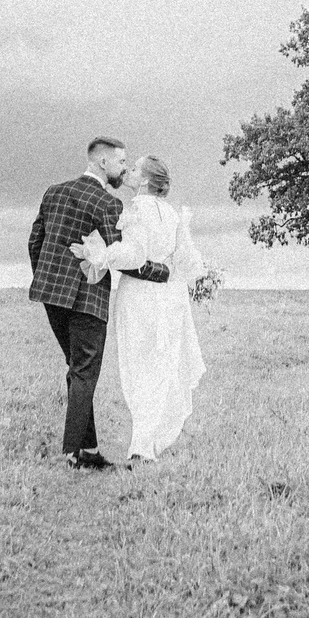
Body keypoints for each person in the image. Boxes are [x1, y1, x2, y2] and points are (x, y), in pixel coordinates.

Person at [26, 137, 167, 470]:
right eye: (121, 162)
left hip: (50, 295)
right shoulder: (107, 203)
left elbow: (35, 240)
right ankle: (71, 453)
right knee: (84, 372)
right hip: (87, 298)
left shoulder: (53, 192)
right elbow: (124, 258)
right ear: (103, 162)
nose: (124, 169)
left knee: (77, 370)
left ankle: (88, 451)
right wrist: (165, 272)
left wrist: (46, 278)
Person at [93, 155, 205, 464]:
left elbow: (134, 255)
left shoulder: (138, 209)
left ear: (144, 180)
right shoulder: (171, 213)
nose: (127, 171)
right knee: (159, 365)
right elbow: (186, 260)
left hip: (140, 296)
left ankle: (141, 446)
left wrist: (103, 255)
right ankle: (148, 440)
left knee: (138, 365)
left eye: (134, 168)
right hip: (168, 298)